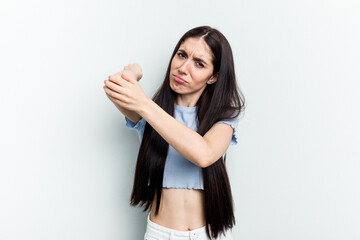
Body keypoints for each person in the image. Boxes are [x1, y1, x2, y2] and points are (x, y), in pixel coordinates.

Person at [103, 26, 245, 240]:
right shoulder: (149, 113)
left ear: (213, 77)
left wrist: (144, 104)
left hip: (211, 234)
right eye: (181, 55)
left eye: (199, 63)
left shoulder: (223, 119)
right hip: (161, 234)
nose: (183, 68)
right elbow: (113, 87)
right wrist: (133, 73)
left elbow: (203, 155)